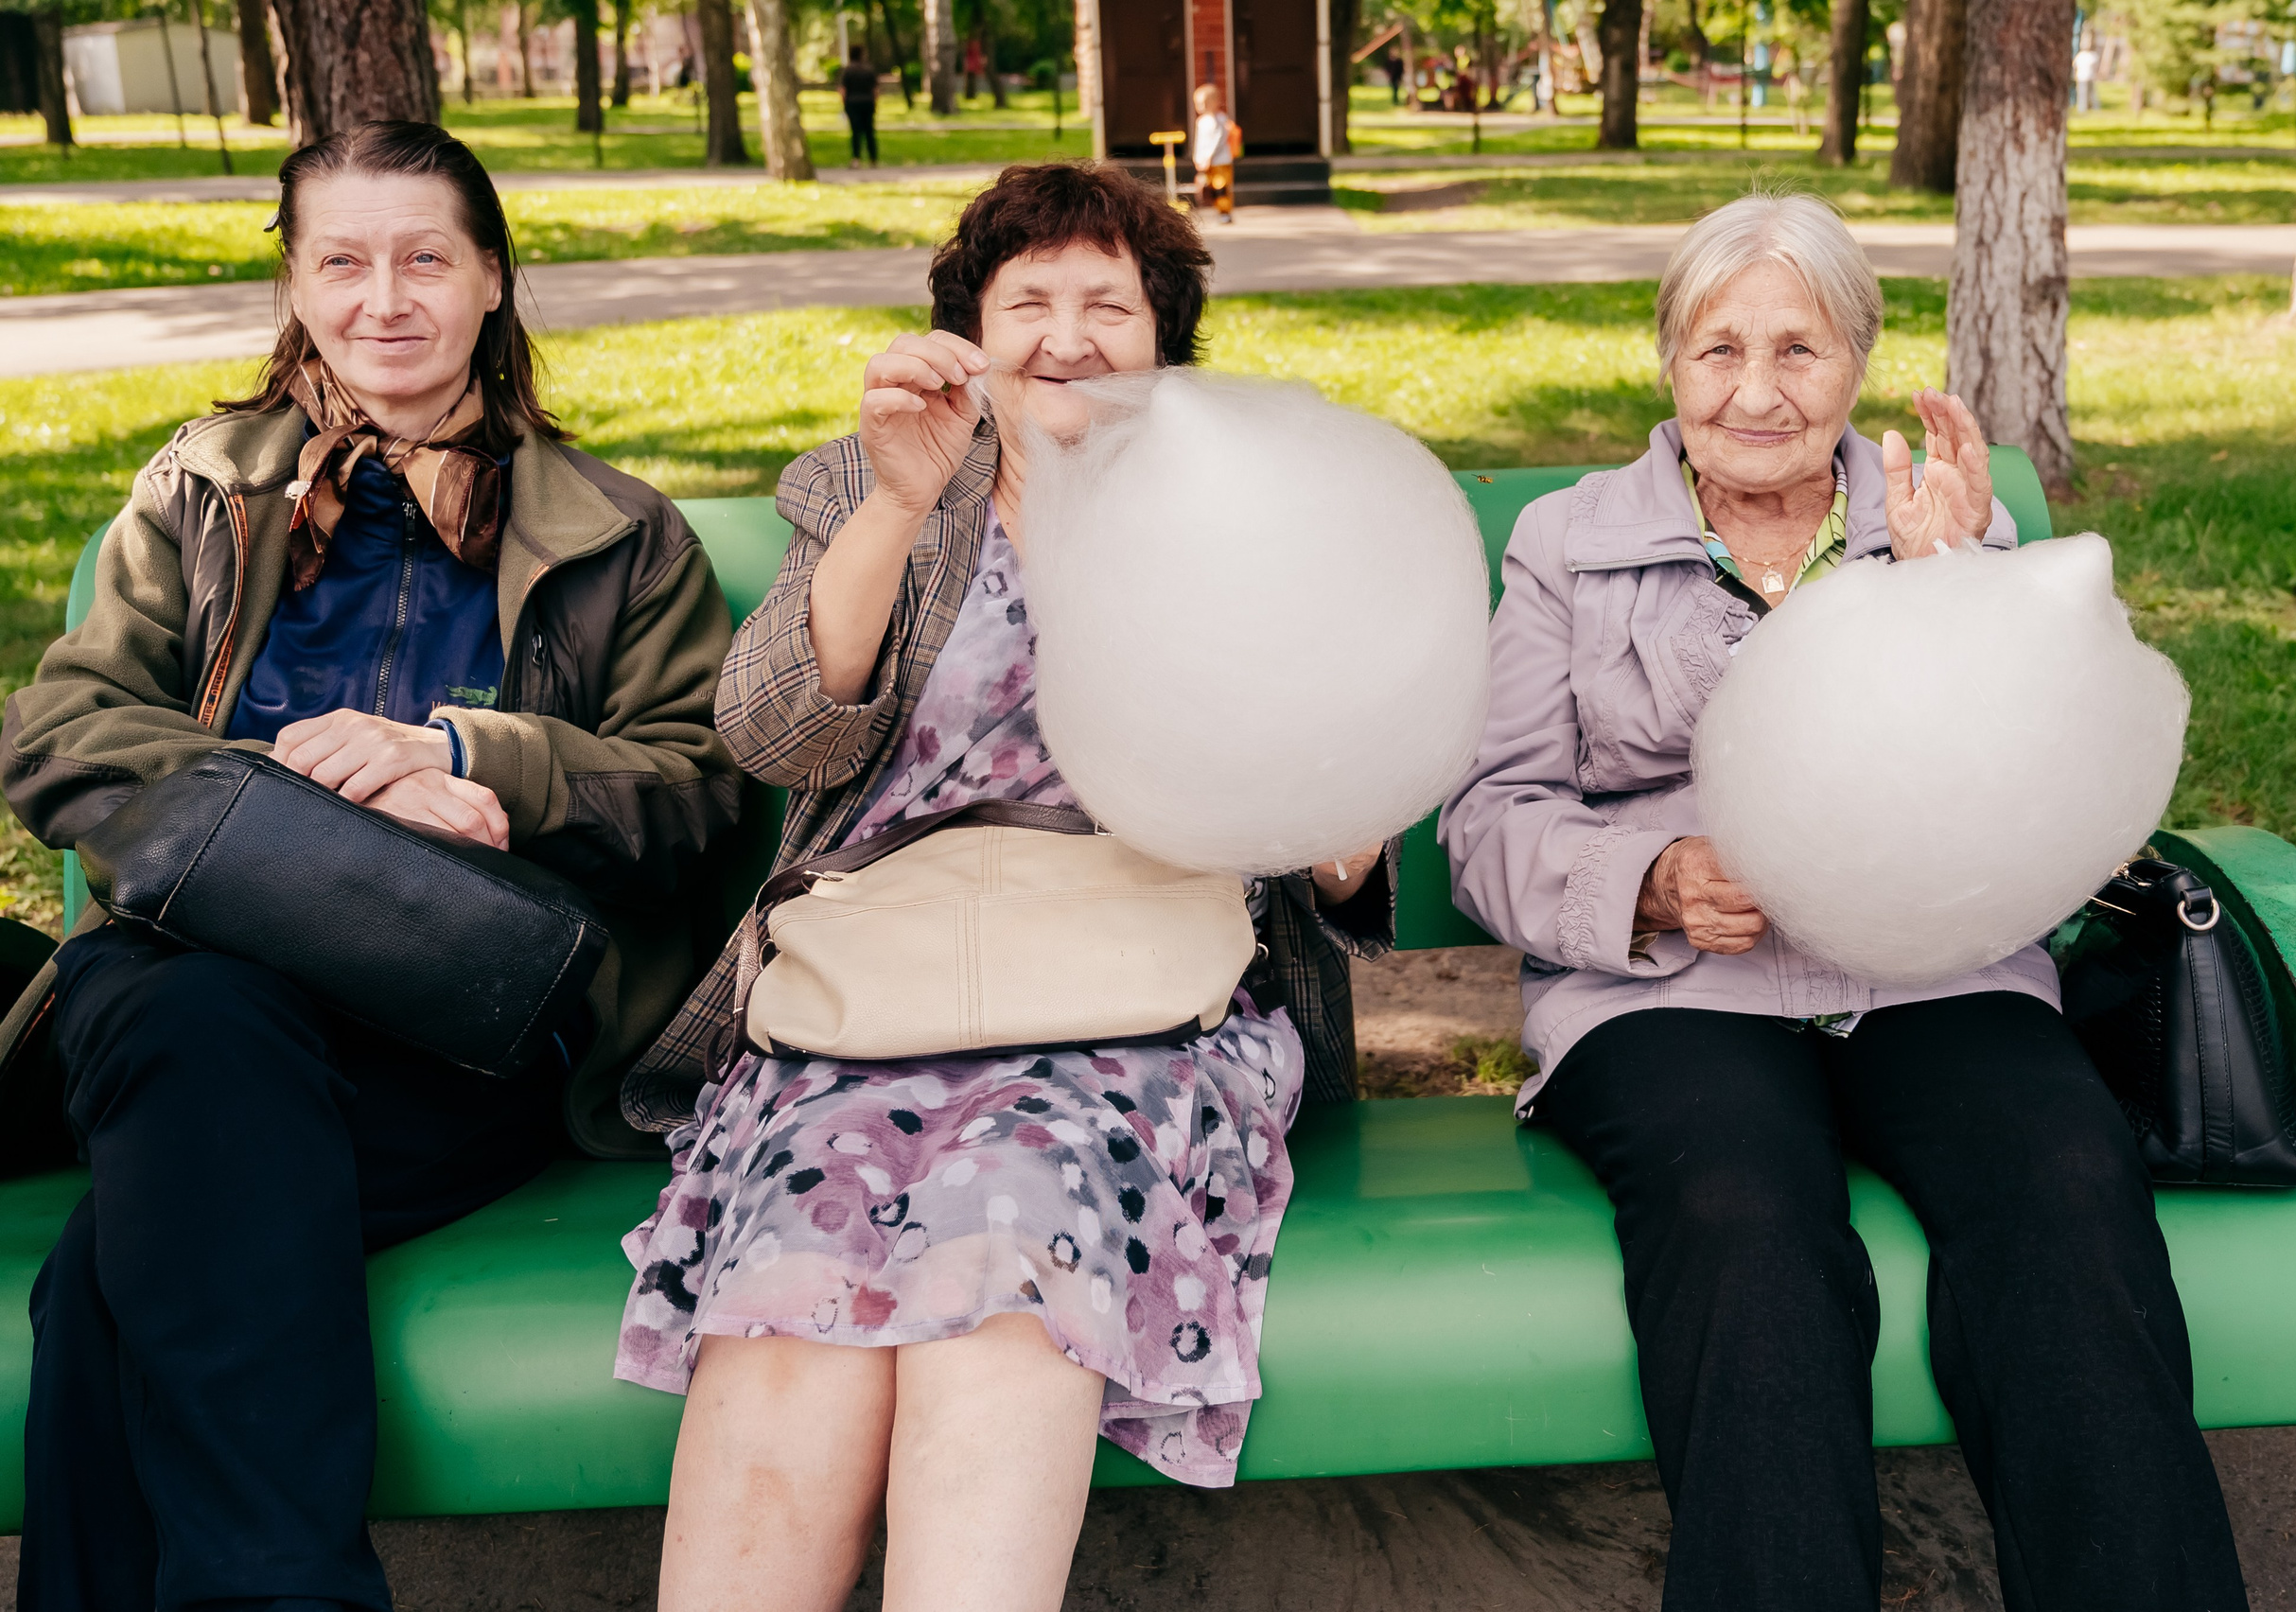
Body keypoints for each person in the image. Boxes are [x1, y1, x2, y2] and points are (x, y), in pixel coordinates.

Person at [1441, 193, 2248, 1612]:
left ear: (1859, 364)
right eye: (1718, 350)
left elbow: (2061, 773)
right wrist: (1650, 882)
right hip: (1676, 990)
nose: (1756, 393)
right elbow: (1489, 818)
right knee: (1745, 1217)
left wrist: (1964, 591)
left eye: (1800, 352)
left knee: (2064, 1184)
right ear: (1669, 364)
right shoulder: (1568, 544)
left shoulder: (1936, 524)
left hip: (1932, 968)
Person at [617, 160, 1393, 1609]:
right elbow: (776, 732)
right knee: (795, 1292)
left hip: (1146, 1021)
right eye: (1026, 299)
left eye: (1110, 302)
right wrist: (897, 510)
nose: (1067, 333)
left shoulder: (1238, 511)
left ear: (1165, 339)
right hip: (871, 1012)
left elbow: (1343, 831)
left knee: (1015, 1245)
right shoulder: (871, 481)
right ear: (970, 331)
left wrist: (1340, 806)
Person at [1, 120, 741, 1611]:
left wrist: (482, 769)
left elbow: (703, 800)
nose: (382, 298)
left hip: (457, 1033)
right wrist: (294, 798)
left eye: (424, 259)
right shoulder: (202, 490)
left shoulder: (620, 537)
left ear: (491, 280)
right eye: (342, 260)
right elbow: (58, 734)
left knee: (126, 1244)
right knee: (195, 1025)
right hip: (208, 975)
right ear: (296, 280)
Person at [1190, 81, 1237, 224]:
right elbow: (1199, 141)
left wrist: (1209, 157)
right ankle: (1216, 209)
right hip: (1205, 162)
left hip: (1220, 160)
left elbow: (1219, 139)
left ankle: (1225, 212)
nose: (1200, 107)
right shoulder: (1201, 121)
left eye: (1203, 103)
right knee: (1209, 187)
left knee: (1221, 187)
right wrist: (1197, 157)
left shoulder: (1220, 120)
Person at [842, 44, 881, 167]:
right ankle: (873, 159)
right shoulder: (869, 69)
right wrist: (875, 102)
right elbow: (876, 89)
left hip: (853, 103)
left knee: (855, 132)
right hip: (868, 103)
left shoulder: (848, 70)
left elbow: (843, 90)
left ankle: (856, 159)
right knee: (870, 131)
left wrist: (845, 104)